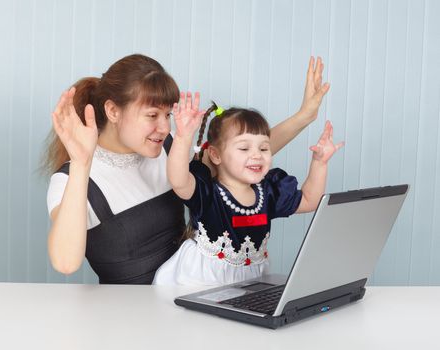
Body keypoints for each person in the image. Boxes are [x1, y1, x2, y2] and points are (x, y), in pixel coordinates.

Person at [45, 53, 329, 284]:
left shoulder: (168, 148)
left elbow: (234, 160)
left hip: (190, 297)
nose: (165, 127)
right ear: (113, 111)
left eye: (168, 115)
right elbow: (66, 263)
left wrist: (304, 117)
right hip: (128, 319)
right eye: (152, 115)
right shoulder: (71, 179)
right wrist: (82, 163)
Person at [153, 95, 343, 286]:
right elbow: (178, 180)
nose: (256, 155)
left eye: (264, 148)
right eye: (244, 148)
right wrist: (183, 136)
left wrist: (320, 163)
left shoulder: (268, 192)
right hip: (200, 281)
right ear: (216, 155)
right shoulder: (207, 193)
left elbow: (310, 200)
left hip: (250, 283)